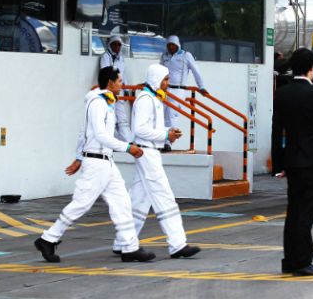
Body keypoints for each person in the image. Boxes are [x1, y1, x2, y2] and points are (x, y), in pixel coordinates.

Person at [34, 66, 156, 263]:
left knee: (122, 203)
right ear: (109, 82)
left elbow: (85, 132)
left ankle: (130, 247)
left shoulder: (107, 103)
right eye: (119, 81)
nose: (121, 85)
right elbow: (99, 135)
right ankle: (48, 238)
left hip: (106, 162)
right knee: (81, 204)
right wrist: (127, 147)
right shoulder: (98, 103)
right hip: (97, 163)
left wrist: (78, 157)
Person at [112, 63, 202, 259]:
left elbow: (146, 129)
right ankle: (177, 244)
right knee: (165, 198)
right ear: (156, 79)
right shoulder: (146, 99)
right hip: (148, 153)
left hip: (149, 152)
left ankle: (122, 242)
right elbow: (140, 129)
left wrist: (167, 134)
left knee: (139, 201)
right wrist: (165, 134)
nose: (168, 83)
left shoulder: (152, 98)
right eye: (166, 79)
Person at [271, 48, 313, 276]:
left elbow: (275, 130)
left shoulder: (282, 93)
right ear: (311, 68)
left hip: (291, 160)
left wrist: (278, 164)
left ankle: (289, 260)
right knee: (306, 213)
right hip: (311, 161)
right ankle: (303, 262)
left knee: (293, 211)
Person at [160, 35, 208, 150]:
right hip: (165, 90)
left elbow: (196, 71)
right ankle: (162, 141)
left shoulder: (186, 55)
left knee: (172, 116)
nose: (171, 47)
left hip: (178, 90)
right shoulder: (164, 56)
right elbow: (159, 71)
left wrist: (201, 87)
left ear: (177, 45)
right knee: (161, 115)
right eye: (169, 45)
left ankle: (169, 143)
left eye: (173, 45)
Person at [100, 35, 132, 142]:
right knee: (110, 116)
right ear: (110, 45)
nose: (117, 46)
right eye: (114, 44)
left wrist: (126, 89)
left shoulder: (121, 58)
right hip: (110, 91)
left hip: (120, 91)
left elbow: (124, 74)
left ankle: (126, 139)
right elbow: (105, 73)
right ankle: (112, 139)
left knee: (121, 116)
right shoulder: (106, 56)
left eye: (119, 44)